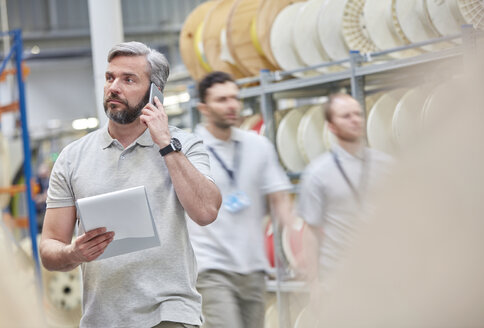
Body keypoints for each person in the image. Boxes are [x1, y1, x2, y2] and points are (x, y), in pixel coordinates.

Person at [39, 41, 222, 328]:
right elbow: (49, 249)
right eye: (110, 78)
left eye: (128, 79)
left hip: (170, 311)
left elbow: (207, 210)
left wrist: (165, 144)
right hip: (101, 318)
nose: (114, 87)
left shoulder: (183, 145)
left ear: (155, 93)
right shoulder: (72, 158)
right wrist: (73, 253)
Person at [188, 71, 294, 328]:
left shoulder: (258, 146)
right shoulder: (190, 149)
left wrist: (297, 244)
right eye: (222, 99)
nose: (232, 105)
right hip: (210, 267)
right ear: (204, 107)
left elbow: (279, 199)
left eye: (234, 98)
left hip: (253, 267)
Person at [297, 93, 391, 286]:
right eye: (346, 116)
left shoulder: (387, 165)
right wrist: (314, 283)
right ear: (331, 126)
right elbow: (311, 232)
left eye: (358, 114)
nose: (355, 120)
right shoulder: (317, 173)